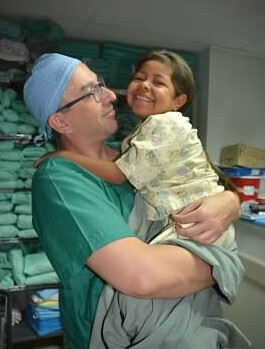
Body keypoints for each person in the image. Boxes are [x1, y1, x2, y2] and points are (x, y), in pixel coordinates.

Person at [23, 53, 247, 349]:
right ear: (61, 121)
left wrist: (229, 202)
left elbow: (202, 177)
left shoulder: (132, 152)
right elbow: (142, 277)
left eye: (100, 84)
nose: (109, 96)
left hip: (192, 317)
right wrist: (224, 263)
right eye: (91, 92)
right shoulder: (58, 178)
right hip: (122, 337)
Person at [44, 50, 235, 247]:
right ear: (59, 121)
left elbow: (119, 174)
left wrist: (64, 155)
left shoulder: (164, 125)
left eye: (158, 82)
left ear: (178, 101)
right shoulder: (144, 134)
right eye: (139, 78)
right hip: (191, 222)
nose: (144, 85)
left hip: (196, 224)